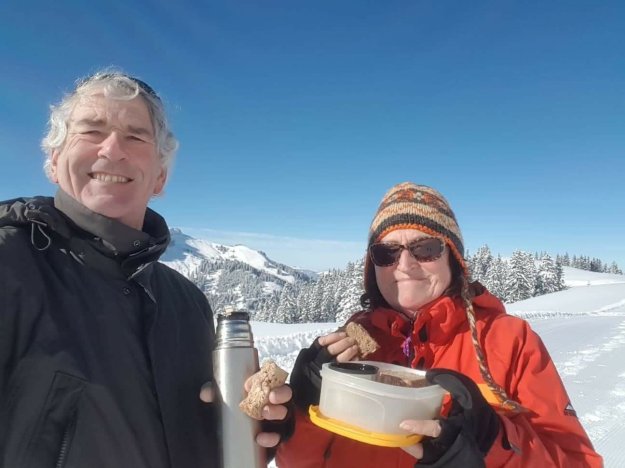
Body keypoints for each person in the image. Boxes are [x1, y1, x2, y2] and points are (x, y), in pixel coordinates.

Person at [0, 70, 292, 468]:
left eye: (136, 136)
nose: (112, 149)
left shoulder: (187, 301)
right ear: (54, 161)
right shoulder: (12, 264)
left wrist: (247, 432)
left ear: (160, 177)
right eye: (91, 131)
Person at [277, 182, 602, 467]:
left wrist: (491, 443)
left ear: (453, 258)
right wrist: (304, 413)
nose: (405, 265)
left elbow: (578, 462)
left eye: (425, 249)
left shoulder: (509, 341)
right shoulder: (348, 350)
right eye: (387, 253)